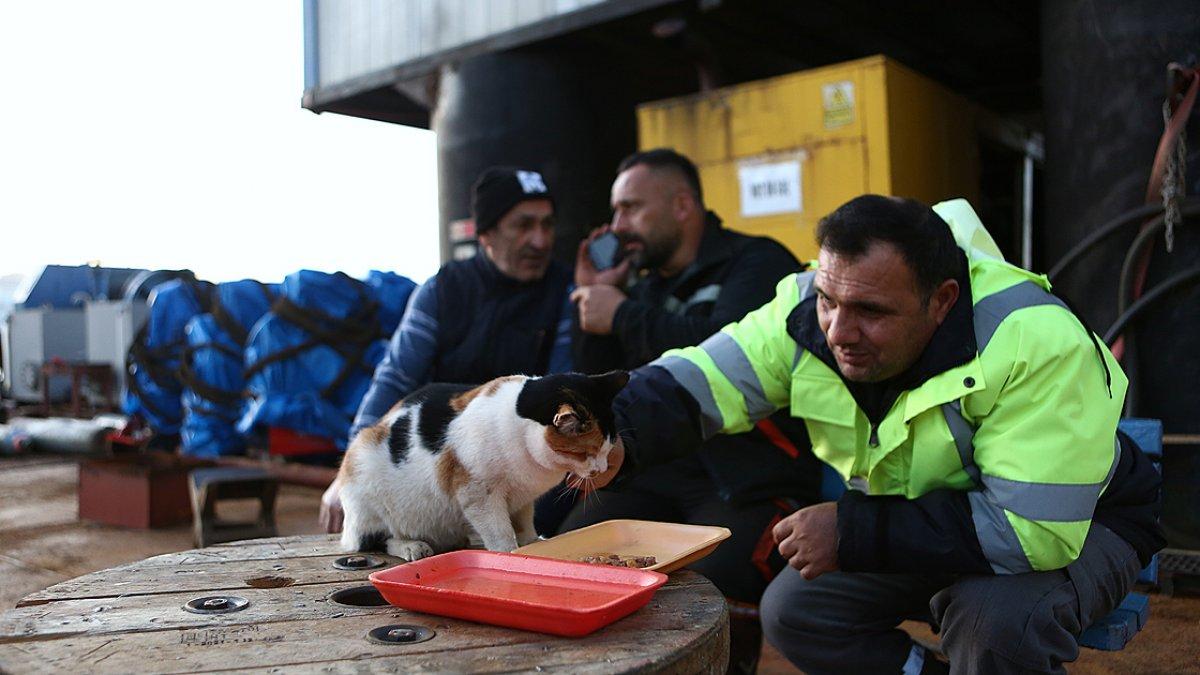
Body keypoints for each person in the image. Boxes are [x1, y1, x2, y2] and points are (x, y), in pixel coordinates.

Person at [592, 195, 1164, 674]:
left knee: (994, 624)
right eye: (828, 300)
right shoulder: (803, 312)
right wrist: (612, 432)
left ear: (940, 301)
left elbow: (1030, 533)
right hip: (930, 521)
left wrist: (853, 529)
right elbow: (706, 377)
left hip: (1079, 525)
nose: (840, 331)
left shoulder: (1035, 340)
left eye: (870, 310)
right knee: (796, 610)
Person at [567, 148, 825, 674]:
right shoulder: (641, 285)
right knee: (572, 557)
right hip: (658, 467)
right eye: (616, 213)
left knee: (710, 591)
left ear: (682, 206)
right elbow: (604, 383)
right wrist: (598, 299)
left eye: (631, 209)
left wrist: (623, 314)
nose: (618, 226)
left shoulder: (758, 261)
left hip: (750, 471)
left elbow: (724, 351)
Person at [319, 166, 573, 532]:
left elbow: (561, 392)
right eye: (523, 225)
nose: (540, 240)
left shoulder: (565, 292)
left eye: (547, 225)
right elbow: (395, 378)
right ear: (486, 232)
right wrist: (347, 475)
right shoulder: (443, 290)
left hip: (528, 474)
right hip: (442, 470)